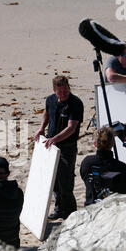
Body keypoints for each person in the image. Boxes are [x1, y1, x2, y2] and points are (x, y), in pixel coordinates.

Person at [34, 75, 84, 220]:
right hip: (51, 146)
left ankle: (70, 212)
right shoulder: (50, 99)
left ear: (69, 87)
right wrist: (41, 128)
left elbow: (71, 128)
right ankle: (59, 209)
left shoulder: (75, 103)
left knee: (65, 180)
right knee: (54, 180)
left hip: (67, 147)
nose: (63, 94)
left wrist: (54, 139)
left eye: (65, 90)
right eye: (60, 91)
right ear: (54, 90)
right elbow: (46, 113)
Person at [80, 127, 126, 205]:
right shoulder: (121, 167)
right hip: (114, 209)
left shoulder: (87, 162)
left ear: (95, 144)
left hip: (91, 207)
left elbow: (84, 178)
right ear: (113, 144)